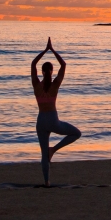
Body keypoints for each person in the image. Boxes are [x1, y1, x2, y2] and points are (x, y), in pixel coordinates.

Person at [32, 37, 81, 186]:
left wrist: (44, 50)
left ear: (42, 72)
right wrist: (52, 50)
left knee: (43, 155)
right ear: (51, 72)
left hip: (41, 121)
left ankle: (46, 182)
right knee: (76, 133)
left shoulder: (36, 85)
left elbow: (33, 63)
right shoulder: (55, 85)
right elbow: (64, 64)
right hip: (53, 120)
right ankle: (54, 149)